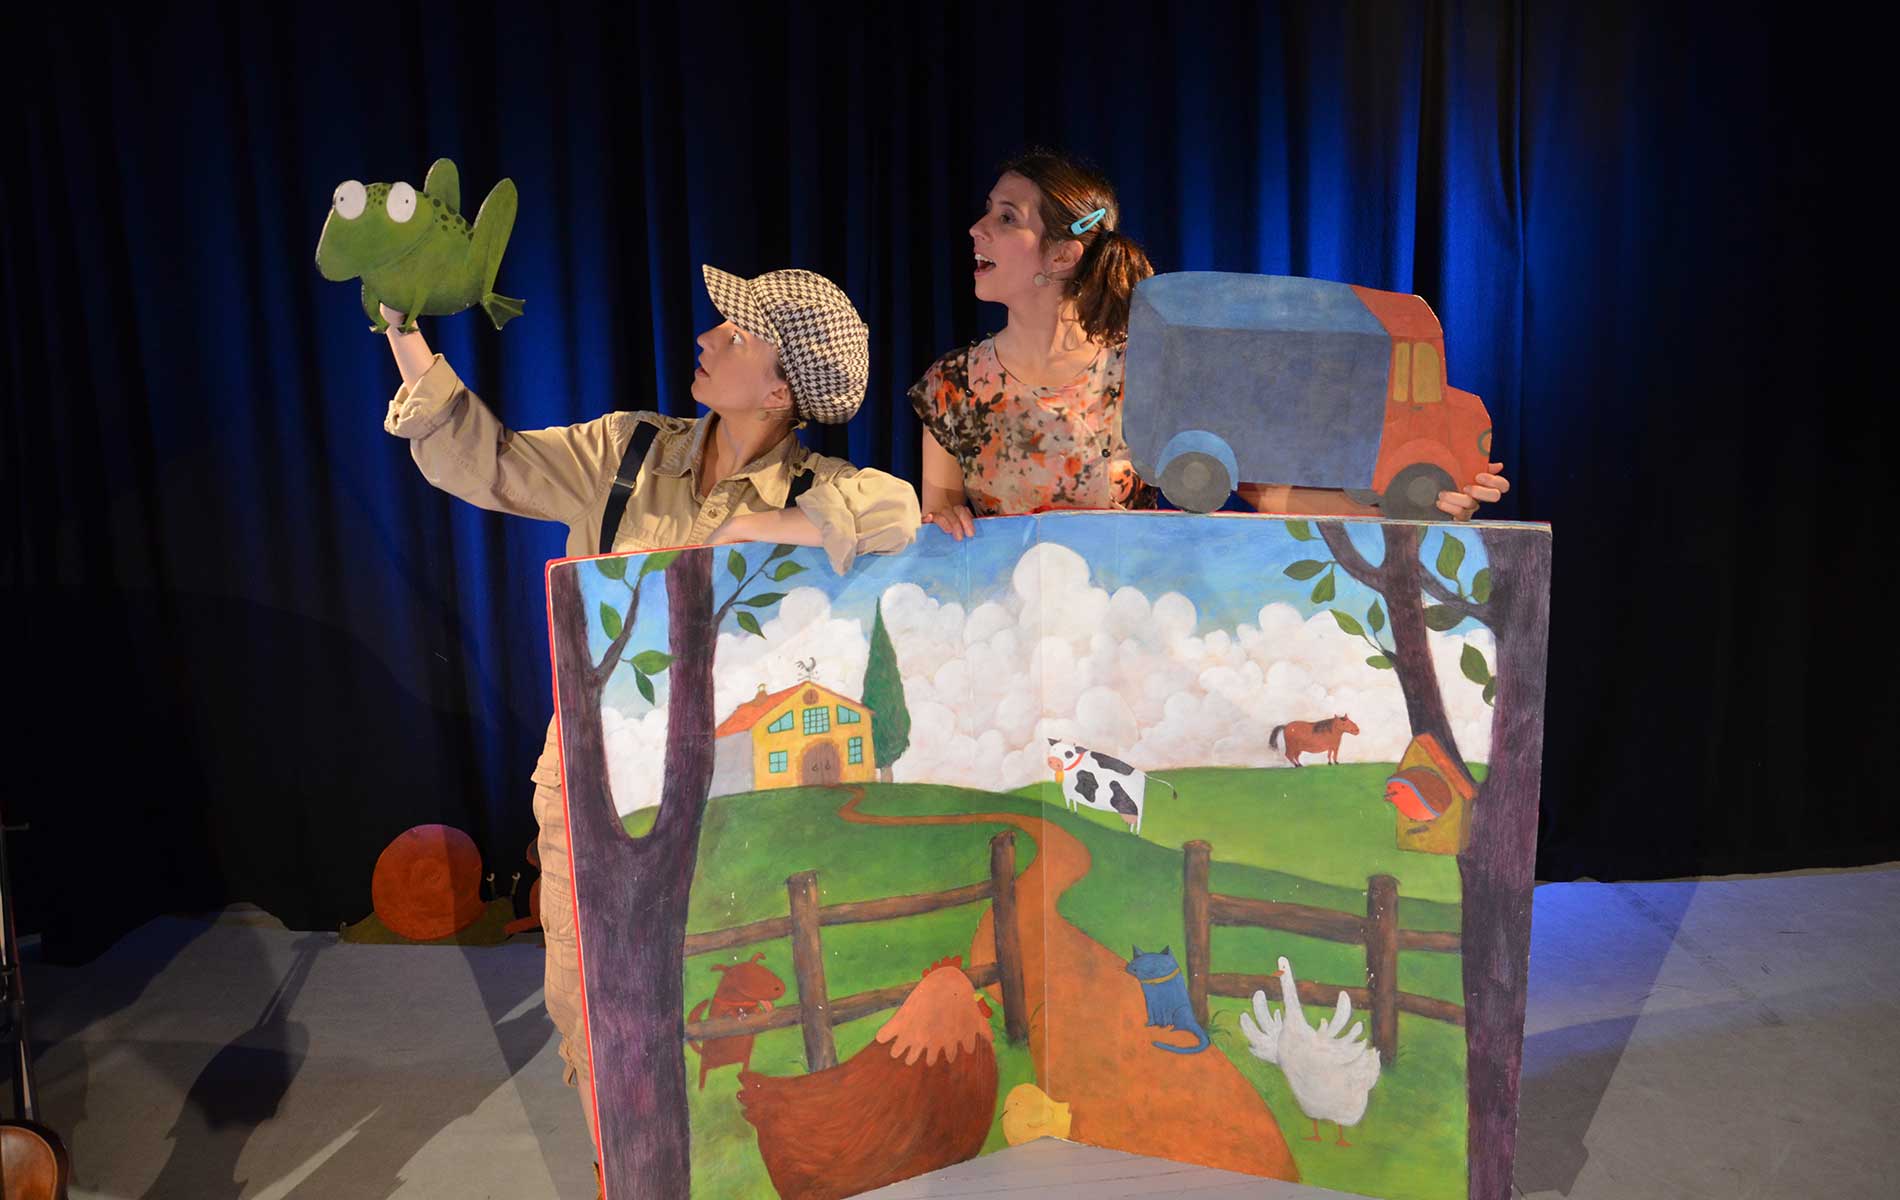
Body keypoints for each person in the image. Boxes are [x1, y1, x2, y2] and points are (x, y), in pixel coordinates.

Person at [374, 266, 919, 1186]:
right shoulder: (627, 450)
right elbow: (488, 459)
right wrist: (402, 332)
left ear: (780, 388)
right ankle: (619, 1173)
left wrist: (767, 527)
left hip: (717, 798)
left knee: (700, 998)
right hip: (594, 784)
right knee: (586, 1004)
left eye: (735, 335)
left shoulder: (820, 483)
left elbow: (897, 512)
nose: (705, 339)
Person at [913, 149, 1508, 535]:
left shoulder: (1150, 368)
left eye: (1007, 217)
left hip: (1123, 638)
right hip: (1005, 643)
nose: (976, 229)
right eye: (988, 212)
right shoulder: (952, 387)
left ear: (1063, 255)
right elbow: (938, 525)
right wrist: (940, 522)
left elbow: (1268, 494)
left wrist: (1416, 507)